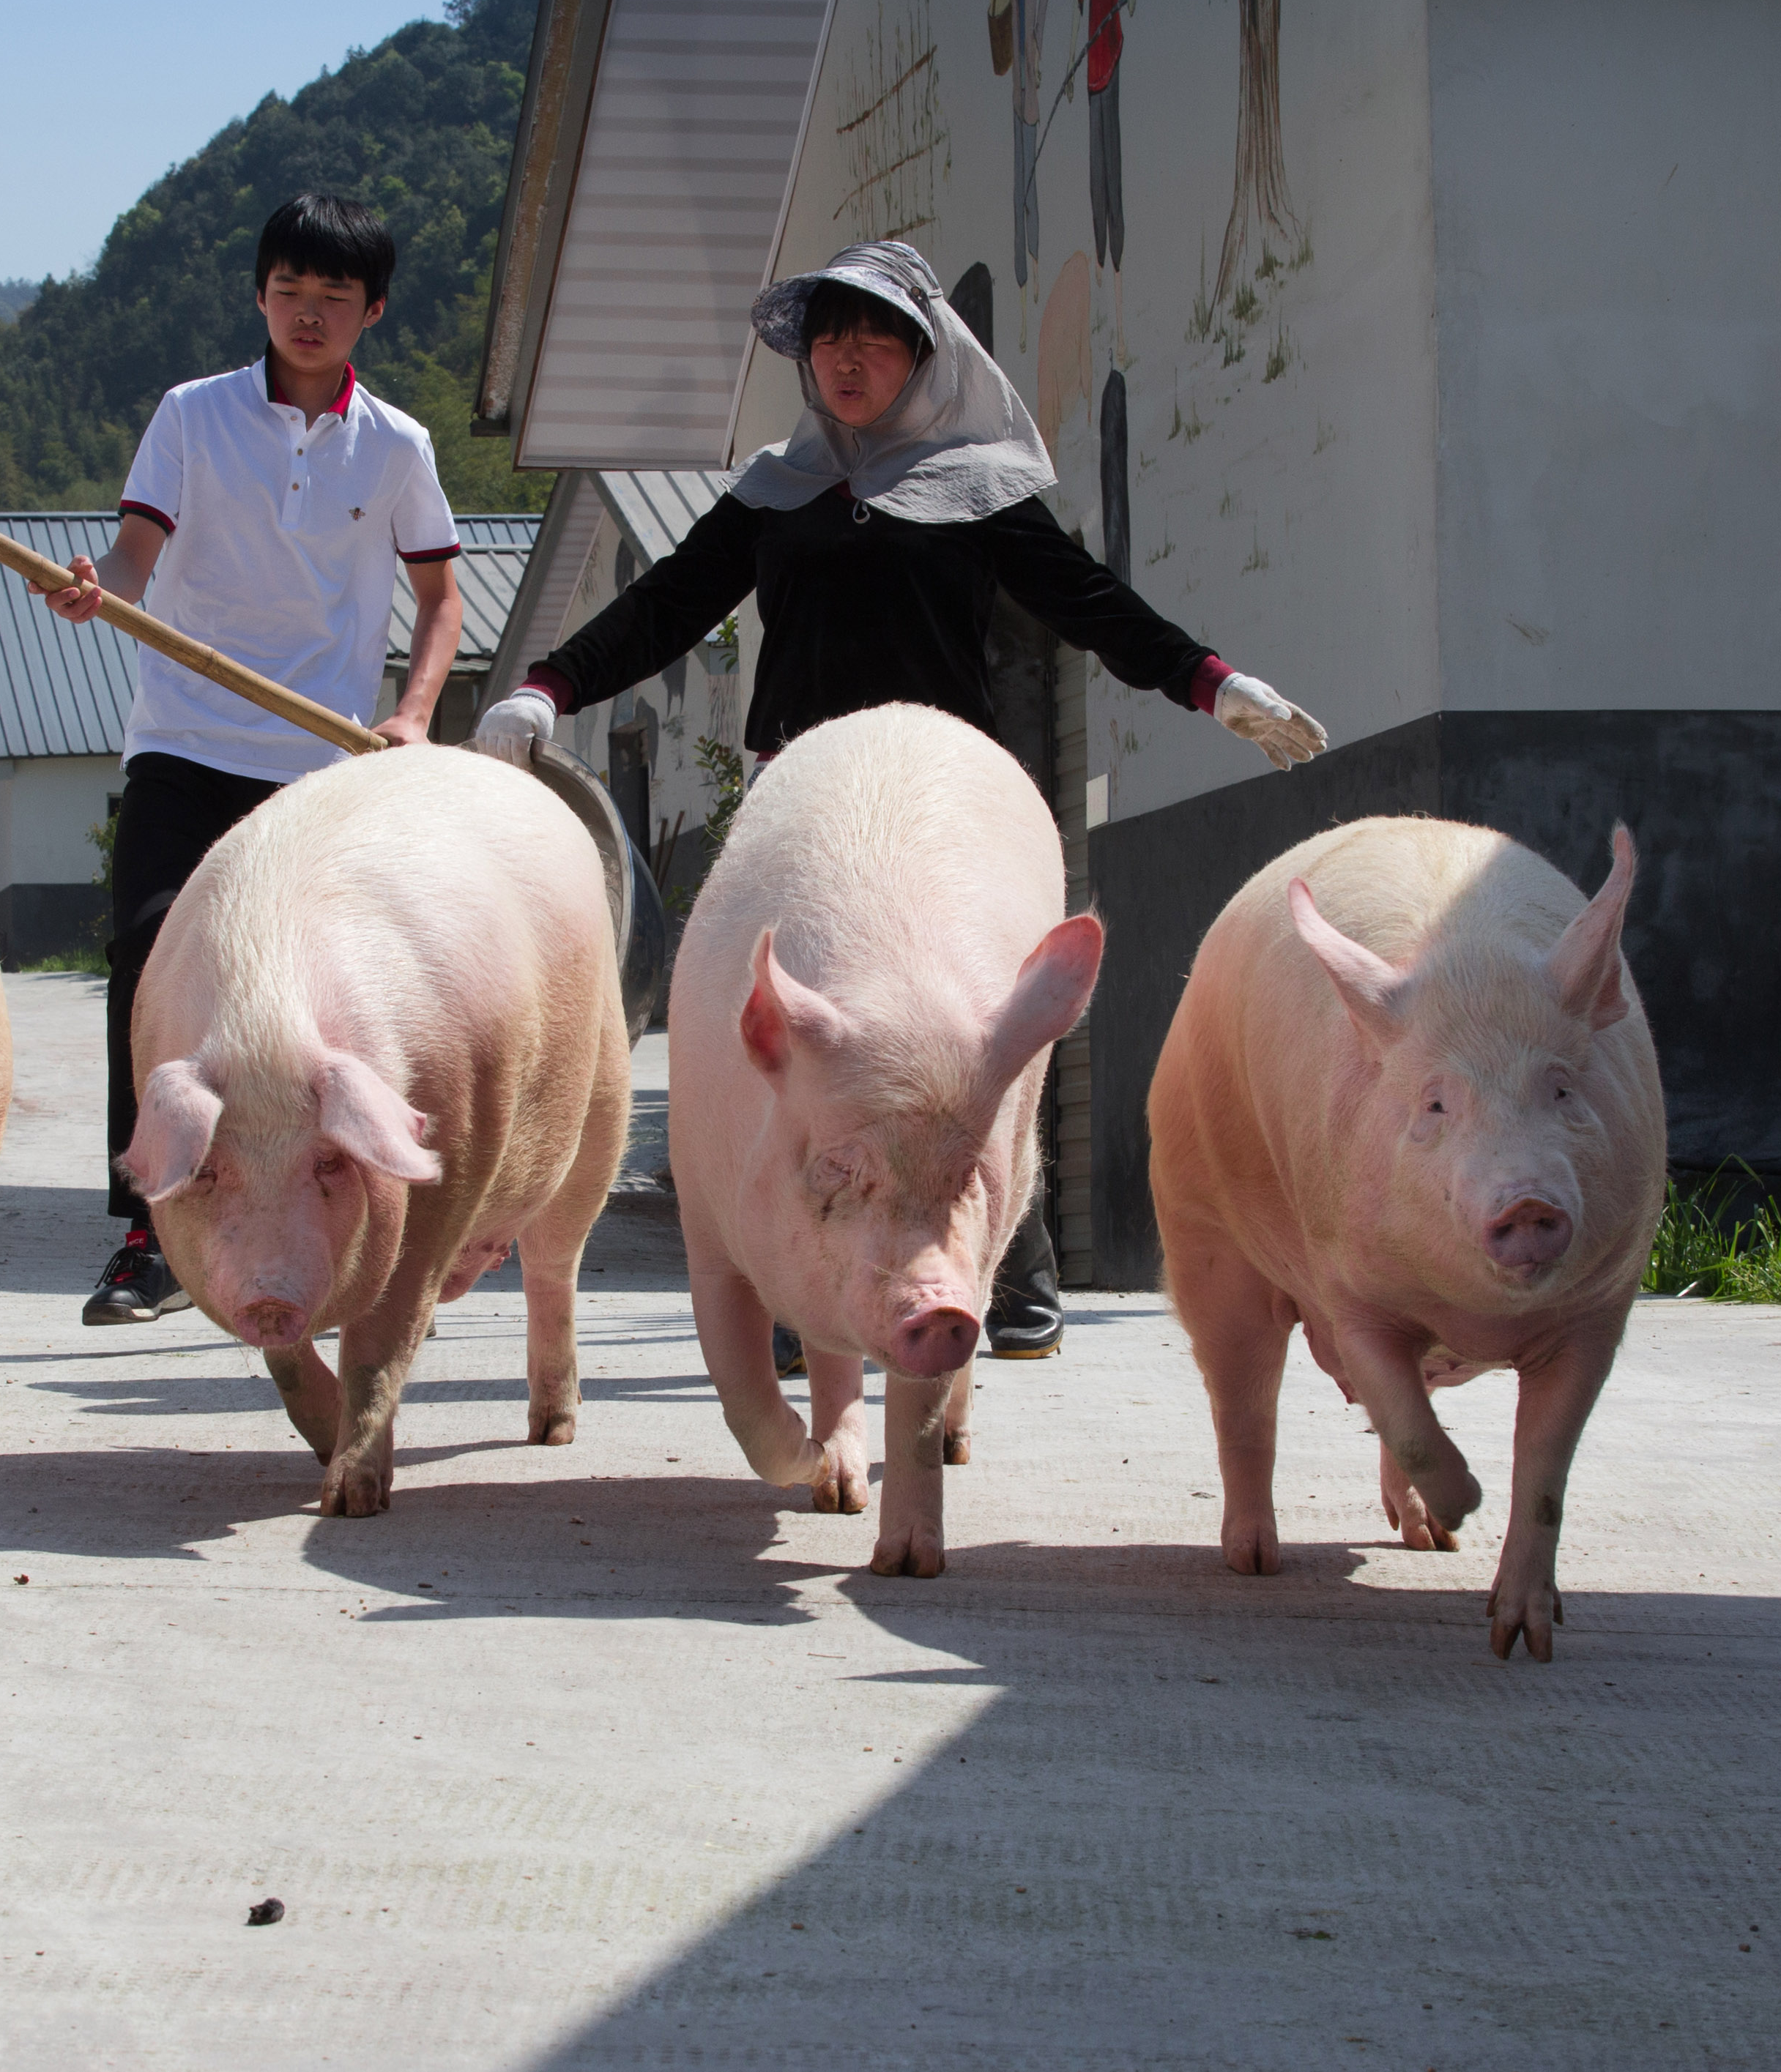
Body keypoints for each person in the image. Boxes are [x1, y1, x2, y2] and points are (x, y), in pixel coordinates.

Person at [473, 239, 1323, 1360]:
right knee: (806, 1051)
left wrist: (1215, 686)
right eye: (827, 337)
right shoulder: (779, 492)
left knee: (975, 1028)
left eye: (873, 335)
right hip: (805, 808)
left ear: (925, 358)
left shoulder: (979, 491)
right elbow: (666, 604)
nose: (845, 356)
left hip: (938, 806)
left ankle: (1007, 1266)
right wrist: (545, 685)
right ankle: (797, 1285)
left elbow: (1093, 604)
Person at [45, 193, 465, 1326]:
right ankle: (147, 1229)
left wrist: (414, 715)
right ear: (260, 295)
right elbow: (135, 554)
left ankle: (372, 1213)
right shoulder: (191, 416)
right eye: (288, 291)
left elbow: (439, 600)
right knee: (146, 960)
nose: (307, 315)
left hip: (318, 773)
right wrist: (102, 593)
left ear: (372, 311)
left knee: (341, 1004)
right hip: (185, 744)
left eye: (334, 298)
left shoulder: (397, 445)